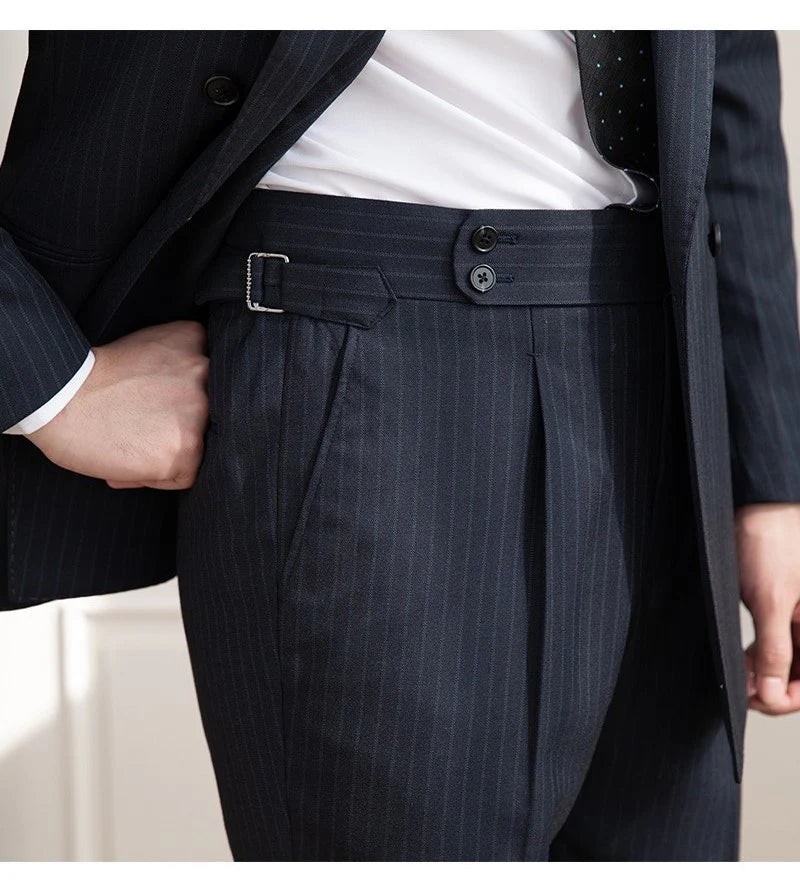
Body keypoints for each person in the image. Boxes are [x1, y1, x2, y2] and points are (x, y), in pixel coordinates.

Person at [1, 30, 799, 861]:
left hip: (673, 362)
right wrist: (53, 384)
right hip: (364, 353)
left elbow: (731, 54)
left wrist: (770, 474)